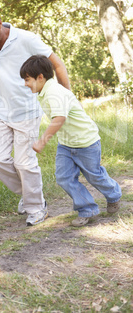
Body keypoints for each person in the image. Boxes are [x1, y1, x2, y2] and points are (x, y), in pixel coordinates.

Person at [0, 5, 70, 226]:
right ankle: (29, 196)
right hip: (0, 109)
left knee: (24, 163)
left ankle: (37, 207)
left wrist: (67, 98)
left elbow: (57, 64)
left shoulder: (26, 39)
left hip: (27, 109)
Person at [20, 55, 122, 227]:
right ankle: (87, 209)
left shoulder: (54, 92)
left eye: (27, 79)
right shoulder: (45, 91)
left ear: (40, 77)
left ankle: (114, 194)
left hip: (86, 143)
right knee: (63, 177)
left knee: (94, 176)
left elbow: (59, 118)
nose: (25, 84)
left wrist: (42, 141)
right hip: (66, 145)